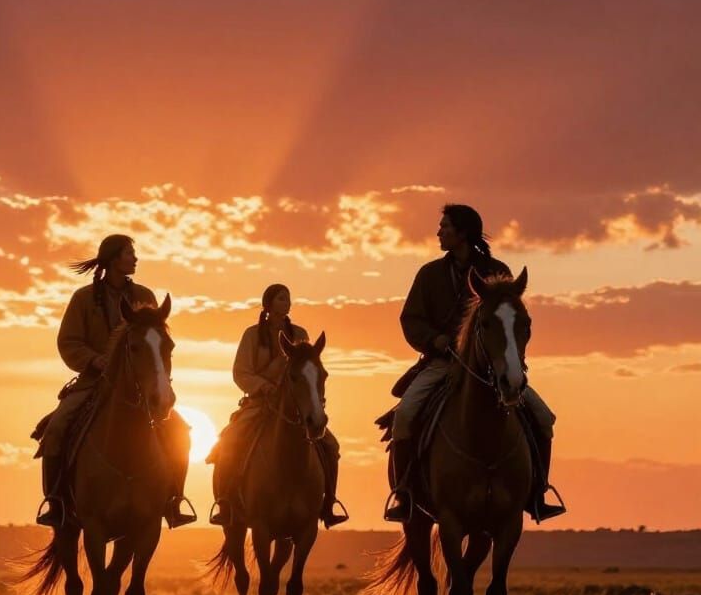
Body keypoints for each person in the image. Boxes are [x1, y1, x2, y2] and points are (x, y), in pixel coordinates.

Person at [384, 204, 566, 524]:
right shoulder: (429, 274)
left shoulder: (498, 271)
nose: (439, 232)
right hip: (441, 364)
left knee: (543, 417)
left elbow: (512, 321)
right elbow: (411, 319)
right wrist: (435, 340)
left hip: (493, 367)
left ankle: (538, 492)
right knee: (405, 416)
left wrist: (508, 357)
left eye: (445, 226)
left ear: (462, 232)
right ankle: (405, 495)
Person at [34, 234, 196, 530]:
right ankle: (55, 501)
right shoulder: (83, 298)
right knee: (57, 428)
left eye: (133, 254)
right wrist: (95, 361)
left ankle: (174, 498)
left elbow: (155, 340)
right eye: (129, 253)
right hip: (93, 383)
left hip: (139, 386)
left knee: (180, 431)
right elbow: (69, 342)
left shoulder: (145, 295)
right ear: (112, 259)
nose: (135, 259)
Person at [209, 283, 348, 529]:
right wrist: (263, 386)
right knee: (229, 441)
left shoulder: (300, 333)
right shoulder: (252, 335)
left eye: (288, 299)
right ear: (268, 304)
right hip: (260, 402)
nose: (286, 303)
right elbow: (241, 371)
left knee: (330, 444)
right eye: (281, 299)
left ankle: (328, 504)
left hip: (296, 405)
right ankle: (226, 502)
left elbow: (308, 370)